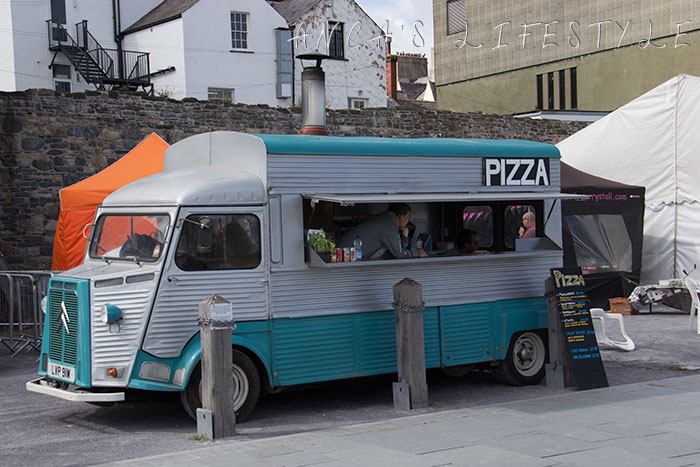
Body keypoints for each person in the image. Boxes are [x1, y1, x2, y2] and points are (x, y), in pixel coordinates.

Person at [338, 203, 427, 259]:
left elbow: (398, 248)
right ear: (400, 216)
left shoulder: (384, 220)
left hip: (345, 255)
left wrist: (404, 237)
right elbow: (400, 254)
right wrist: (418, 254)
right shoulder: (388, 226)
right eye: (407, 217)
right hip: (345, 257)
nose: (408, 221)